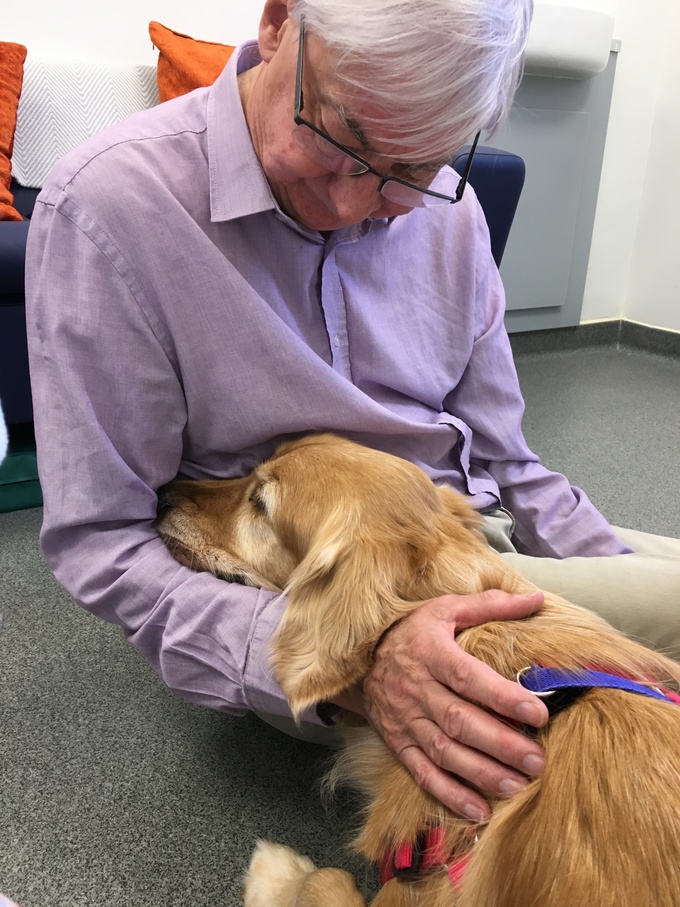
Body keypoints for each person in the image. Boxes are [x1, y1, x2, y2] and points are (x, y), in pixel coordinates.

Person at [25, 0, 680, 826]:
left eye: (414, 167)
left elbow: (509, 462)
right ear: (277, 24)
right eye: (341, 138)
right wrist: (363, 663)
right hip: (318, 595)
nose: (352, 201)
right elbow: (103, 542)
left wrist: (607, 567)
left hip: (458, 529)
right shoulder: (110, 210)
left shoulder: (453, 212)